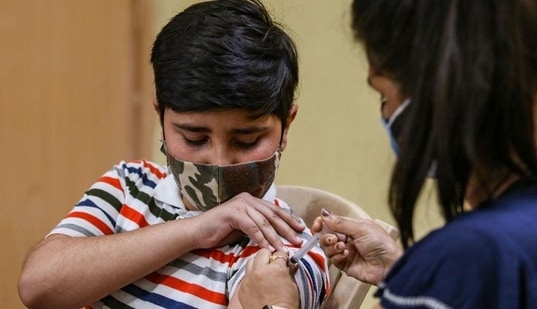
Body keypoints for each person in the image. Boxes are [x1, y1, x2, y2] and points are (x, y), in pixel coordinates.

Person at [17, 1, 329, 308]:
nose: (219, 162)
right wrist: (198, 229)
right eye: (194, 138)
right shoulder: (130, 185)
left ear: (286, 126)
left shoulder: (286, 245)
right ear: (161, 117)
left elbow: (266, 295)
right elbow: (37, 287)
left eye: (247, 140)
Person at [238, 0, 537, 308]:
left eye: (384, 96)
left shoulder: (474, 257)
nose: (386, 113)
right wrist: (403, 274)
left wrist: (271, 305)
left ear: (439, 90)